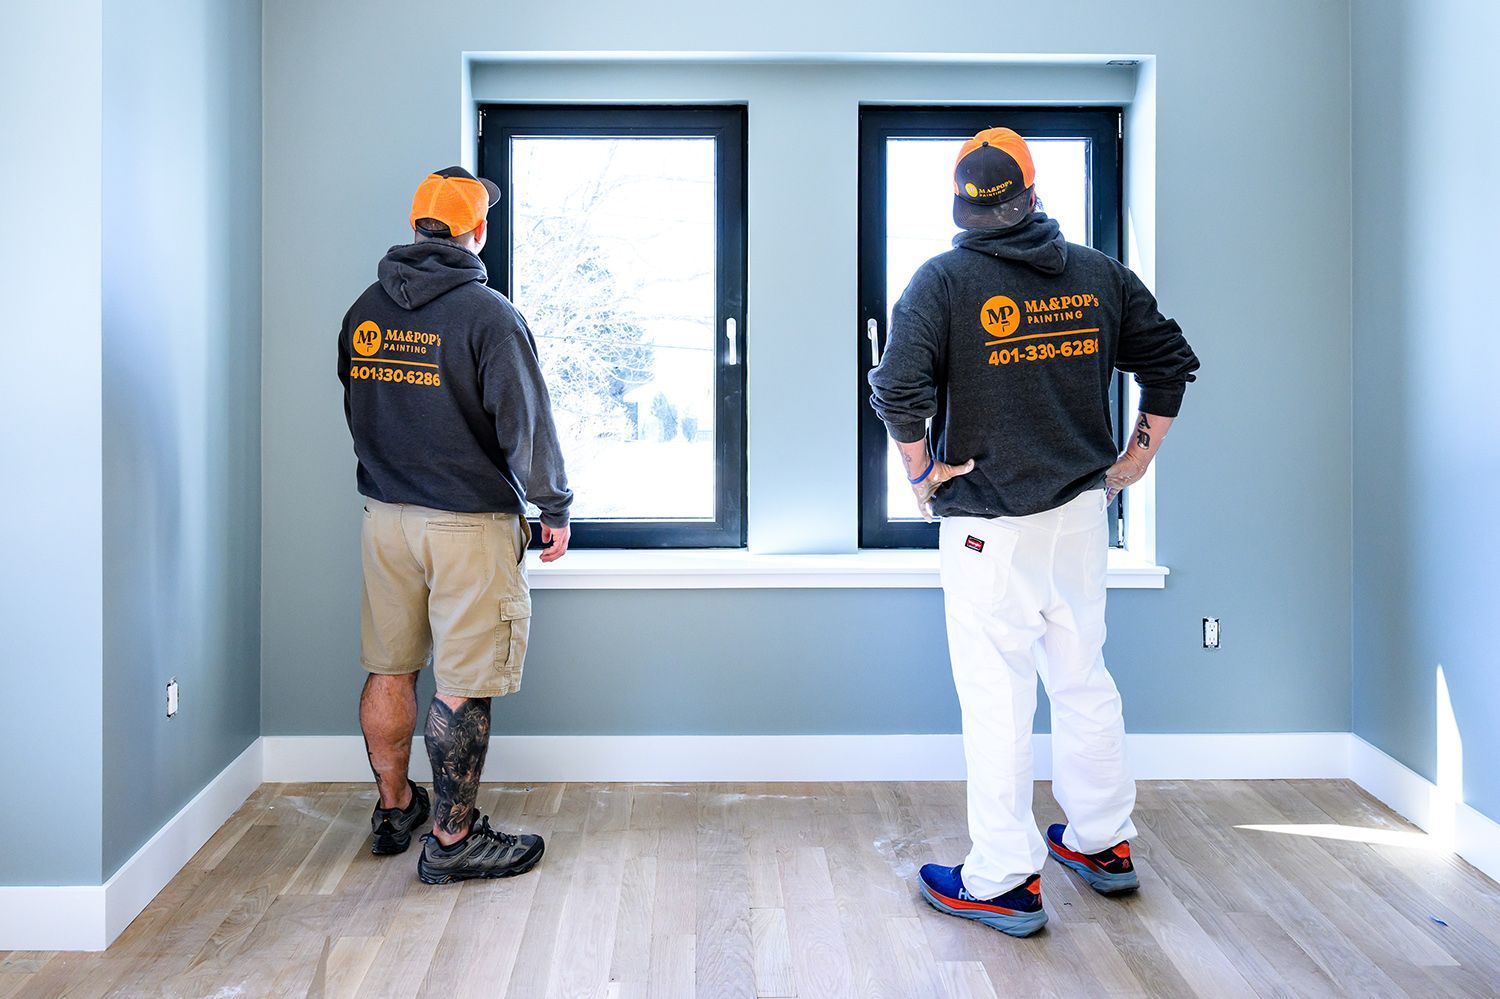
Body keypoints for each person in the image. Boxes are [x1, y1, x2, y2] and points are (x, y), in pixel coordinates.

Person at [869, 129, 1199, 937]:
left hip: (990, 530)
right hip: (1081, 518)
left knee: (998, 697)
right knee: (1082, 678)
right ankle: (1102, 841)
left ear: (962, 204)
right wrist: (1139, 456)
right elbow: (1171, 361)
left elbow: (897, 390)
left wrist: (921, 472)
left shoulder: (943, 281)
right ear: (1032, 189)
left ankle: (1002, 878)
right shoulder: (1096, 274)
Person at [337, 166, 573, 884]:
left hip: (386, 518)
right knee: (463, 681)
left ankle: (395, 808)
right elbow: (526, 425)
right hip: (467, 524)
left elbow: (357, 410)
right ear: (478, 231)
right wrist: (554, 506)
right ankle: (453, 838)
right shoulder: (488, 315)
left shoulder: (365, 310)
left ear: (416, 226)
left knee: (390, 665)